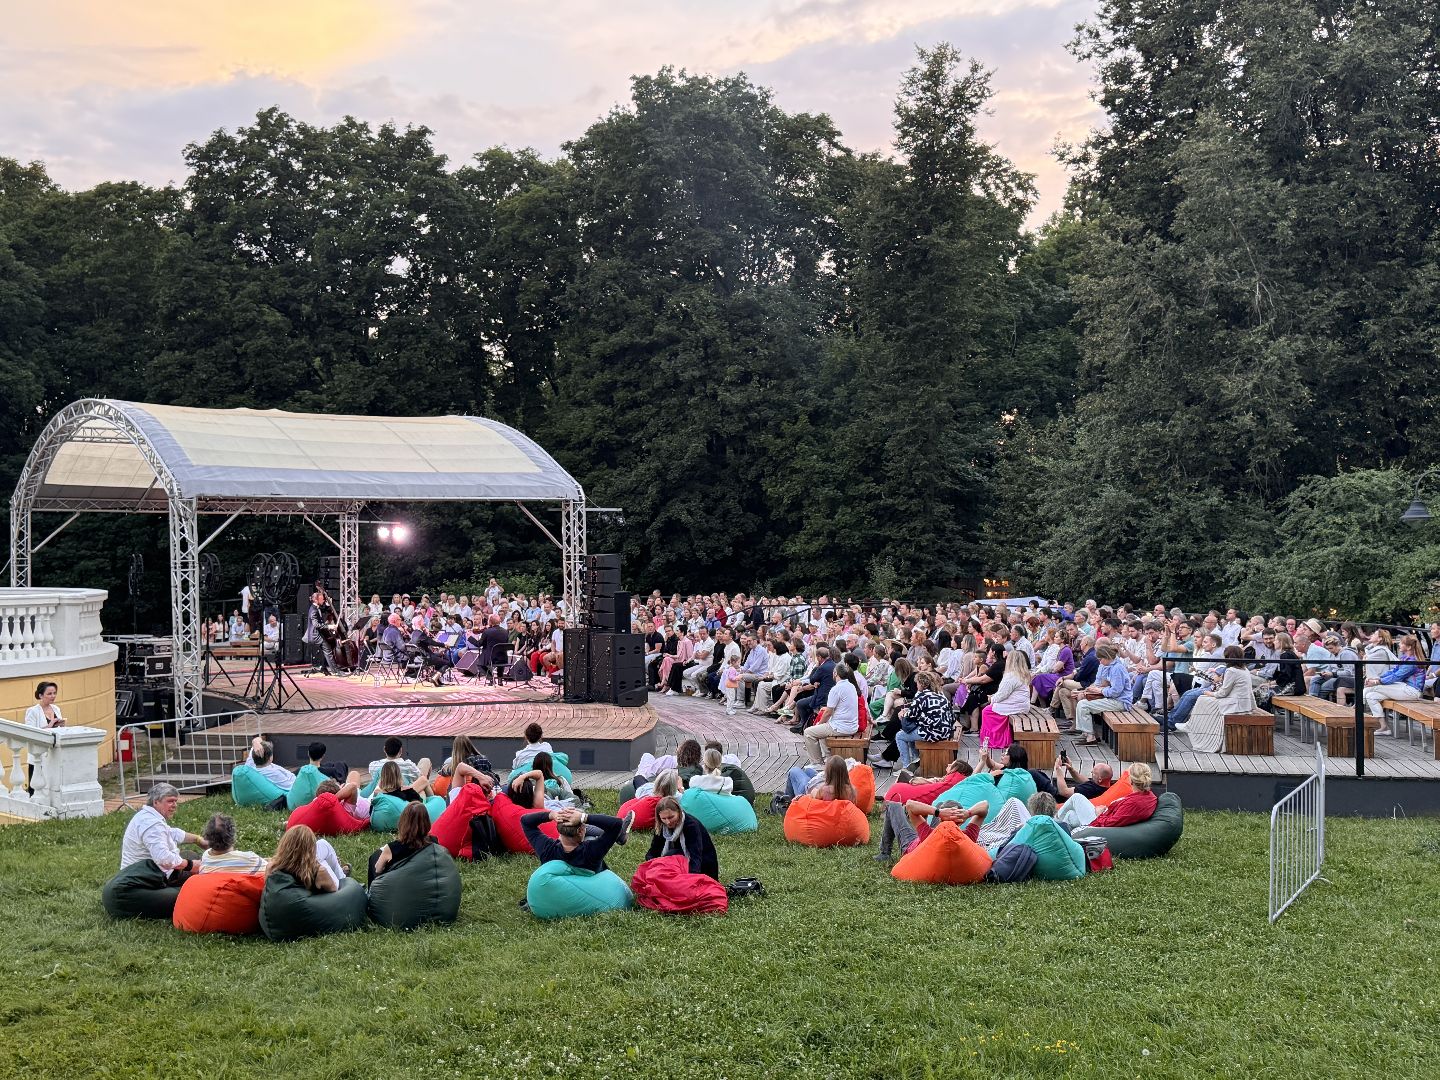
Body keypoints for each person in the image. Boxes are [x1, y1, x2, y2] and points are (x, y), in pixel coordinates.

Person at [1177, 646, 1256, 752]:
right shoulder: (1244, 669)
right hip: (1244, 702)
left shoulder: (1231, 671)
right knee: (1204, 699)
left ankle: (1191, 725)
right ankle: (1192, 725)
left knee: (1202, 699)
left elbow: (1223, 693)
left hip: (1236, 704)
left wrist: (1209, 693)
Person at [119, 783, 204, 877]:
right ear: (156, 802)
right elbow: (164, 859)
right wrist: (191, 865)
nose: (175, 805)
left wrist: (198, 839)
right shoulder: (151, 824)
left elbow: (171, 833)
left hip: (142, 871)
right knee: (203, 873)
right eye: (170, 801)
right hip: (144, 878)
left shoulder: (147, 816)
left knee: (190, 855)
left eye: (175, 801)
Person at [874, 794, 988, 862]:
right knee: (940, 803)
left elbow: (909, 805)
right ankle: (940, 809)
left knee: (893, 806)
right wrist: (968, 813)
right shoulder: (968, 837)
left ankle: (885, 853)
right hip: (928, 842)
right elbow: (985, 805)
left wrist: (939, 812)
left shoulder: (929, 835)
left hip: (912, 847)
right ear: (961, 821)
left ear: (940, 820)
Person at [521, 805, 634, 872]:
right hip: (590, 889)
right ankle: (620, 838)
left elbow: (525, 821)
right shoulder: (591, 851)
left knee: (590, 837)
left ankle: (619, 837)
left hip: (560, 892)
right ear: (580, 831)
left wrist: (551, 815)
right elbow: (616, 824)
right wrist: (583, 817)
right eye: (584, 827)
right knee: (590, 838)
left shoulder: (547, 850)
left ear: (558, 828)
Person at [644, 795, 720, 880]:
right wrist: (653, 867)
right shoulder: (662, 826)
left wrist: (691, 880)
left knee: (671, 855)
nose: (668, 822)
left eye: (671, 817)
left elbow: (695, 856)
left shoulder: (691, 825)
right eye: (664, 818)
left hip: (703, 865)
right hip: (679, 860)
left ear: (679, 812)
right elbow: (654, 851)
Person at [1363, 635, 1425, 735]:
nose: (1399, 644)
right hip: (1403, 688)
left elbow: (1397, 676)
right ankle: (1384, 727)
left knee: (1373, 687)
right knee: (1371, 696)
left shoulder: (1412, 661)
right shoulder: (1405, 658)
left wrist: (1376, 682)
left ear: (1408, 647)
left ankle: (1357, 711)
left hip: (1412, 691)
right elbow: (1393, 671)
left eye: (1401, 643)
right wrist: (1377, 678)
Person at [802, 661, 860, 765]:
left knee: (809, 732)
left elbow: (829, 712)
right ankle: (828, 759)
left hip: (841, 727)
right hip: (851, 725)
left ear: (836, 673)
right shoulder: (851, 686)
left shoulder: (836, 689)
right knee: (822, 731)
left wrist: (819, 724)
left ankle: (817, 763)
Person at [1074, 643, 1131, 747]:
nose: (1100, 662)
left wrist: (1099, 690)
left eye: (1101, 660)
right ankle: (1088, 733)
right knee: (1081, 699)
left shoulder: (1117, 668)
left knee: (1083, 705)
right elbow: (1100, 681)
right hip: (1112, 698)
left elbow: (1116, 691)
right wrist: (1090, 690)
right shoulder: (1107, 665)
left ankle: (1090, 737)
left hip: (1120, 702)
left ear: (1107, 657)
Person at [895, 671, 954, 771]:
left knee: (900, 736)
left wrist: (903, 713)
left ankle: (906, 768)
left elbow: (911, 715)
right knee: (911, 732)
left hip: (932, 733)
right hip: (945, 731)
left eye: (917, 683)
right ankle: (916, 760)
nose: (916, 685)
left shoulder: (921, 697)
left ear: (921, 684)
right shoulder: (940, 695)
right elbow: (952, 717)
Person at [367, 801, 437, 884]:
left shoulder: (392, 848)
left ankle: (370, 893)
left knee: (375, 857)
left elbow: (378, 870)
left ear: (403, 821)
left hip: (397, 888)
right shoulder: (433, 842)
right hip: (426, 883)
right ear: (427, 821)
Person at [979, 649, 1032, 751]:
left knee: (987, 711)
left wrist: (992, 698)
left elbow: (1002, 695)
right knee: (990, 707)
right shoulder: (1023, 673)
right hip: (1021, 705)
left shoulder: (1011, 676)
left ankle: (995, 740)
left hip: (1015, 706)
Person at [269, 825, 338, 893]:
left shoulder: (271, 867)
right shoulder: (319, 872)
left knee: (322, 846)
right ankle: (342, 875)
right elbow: (334, 890)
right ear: (311, 848)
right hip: (316, 899)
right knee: (323, 847)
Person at [198, 813, 267, 874]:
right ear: (232, 836)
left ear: (207, 837)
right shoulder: (250, 859)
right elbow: (270, 869)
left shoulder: (205, 857)